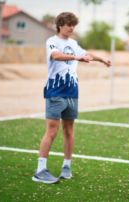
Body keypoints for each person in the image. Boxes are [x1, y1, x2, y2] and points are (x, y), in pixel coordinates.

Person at [32, 12, 111, 184]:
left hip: (72, 92)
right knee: (52, 131)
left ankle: (66, 167)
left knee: (68, 131)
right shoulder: (52, 41)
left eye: (73, 25)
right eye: (68, 24)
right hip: (55, 91)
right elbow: (55, 56)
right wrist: (76, 57)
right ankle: (39, 170)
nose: (71, 27)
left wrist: (101, 59)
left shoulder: (74, 43)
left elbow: (86, 53)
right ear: (60, 25)